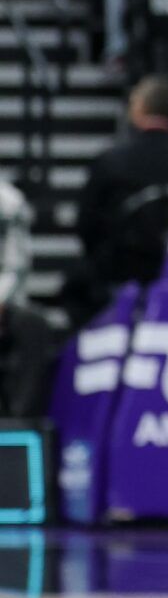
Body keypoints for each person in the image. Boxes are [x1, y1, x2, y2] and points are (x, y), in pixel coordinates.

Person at [70, 75, 168, 318]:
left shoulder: (111, 161)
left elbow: (85, 225)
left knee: (77, 284)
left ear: (140, 110)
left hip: (118, 273)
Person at [0, 178, 56, 419]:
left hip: (3, 303)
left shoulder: (8, 202)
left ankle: (18, 425)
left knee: (34, 326)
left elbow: (15, 264)